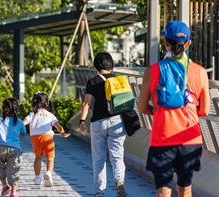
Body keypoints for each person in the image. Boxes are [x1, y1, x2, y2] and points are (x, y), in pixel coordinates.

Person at [137, 20, 210, 197]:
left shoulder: (153, 70)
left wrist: (156, 112)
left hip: (162, 137)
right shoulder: (200, 72)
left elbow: (141, 106)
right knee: (185, 188)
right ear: (188, 43)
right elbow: (205, 110)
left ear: (165, 42)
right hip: (190, 139)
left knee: (163, 189)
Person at [79, 52, 127, 197]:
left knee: (99, 158)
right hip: (117, 121)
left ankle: (99, 192)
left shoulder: (93, 81)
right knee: (117, 156)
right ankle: (119, 181)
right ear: (110, 64)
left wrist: (82, 120)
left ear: (96, 66)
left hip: (98, 123)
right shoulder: (119, 80)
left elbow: (86, 103)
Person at [23, 91, 70, 187]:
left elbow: (23, 123)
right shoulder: (50, 115)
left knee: (38, 157)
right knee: (50, 158)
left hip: (36, 138)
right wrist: (62, 134)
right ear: (46, 103)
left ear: (34, 102)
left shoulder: (32, 114)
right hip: (48, 138)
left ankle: (37, 177)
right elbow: (59, 127)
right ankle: (49, 173)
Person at [0, 98, 26, 197]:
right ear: (16, 109)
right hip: (15, 150)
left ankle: (4, 185)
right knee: (14, 169)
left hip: (0, 149)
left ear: (4, 108)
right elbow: (23, 134)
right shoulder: (19, 122)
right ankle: (13, 192)